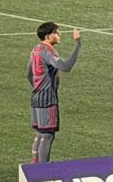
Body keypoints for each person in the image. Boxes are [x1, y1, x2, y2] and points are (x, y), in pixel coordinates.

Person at [27, 23, 81, 163]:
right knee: (47, 135)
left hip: (36, 97)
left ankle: (35, 165)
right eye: (56, 32)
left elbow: (29, 74)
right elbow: (65, 67)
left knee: (40, 133)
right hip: (47, 99)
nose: (59, 35)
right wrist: (78, 44)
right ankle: (43, 169)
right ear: (47, 36)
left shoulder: (35, 50)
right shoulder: (48, 51)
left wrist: (38, 87)